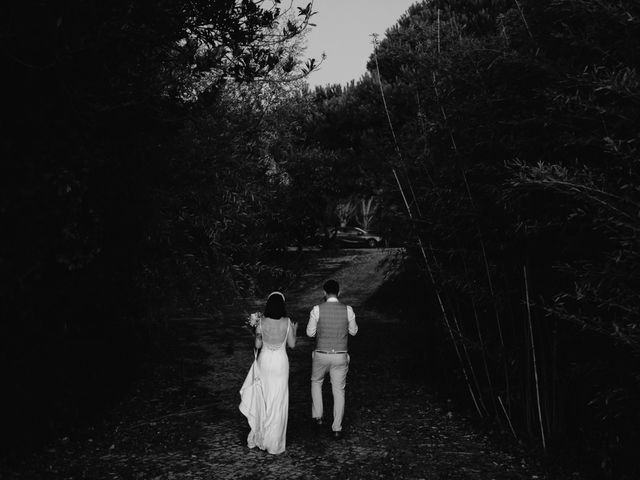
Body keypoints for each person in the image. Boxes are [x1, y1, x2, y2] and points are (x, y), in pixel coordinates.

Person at [239, 291, 297, 454]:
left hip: (265, 362)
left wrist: (256, 334)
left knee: (263, 398)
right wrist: (295, 330)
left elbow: (258, 345)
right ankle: (274, 442)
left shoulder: (261, 322)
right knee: (278, 400)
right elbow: (292, 345)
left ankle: (260, 436)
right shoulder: (287, 322)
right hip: (280, 363)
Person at [306, 279, 358, 440]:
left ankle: (318, 415)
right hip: (340, 355)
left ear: (324, 293)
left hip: (321, 353)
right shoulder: (348, 310)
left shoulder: (317, 309)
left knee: (316, 382)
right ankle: (337, 428)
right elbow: (354, 331)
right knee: (339, 391)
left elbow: (310, 333)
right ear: (339, 292)